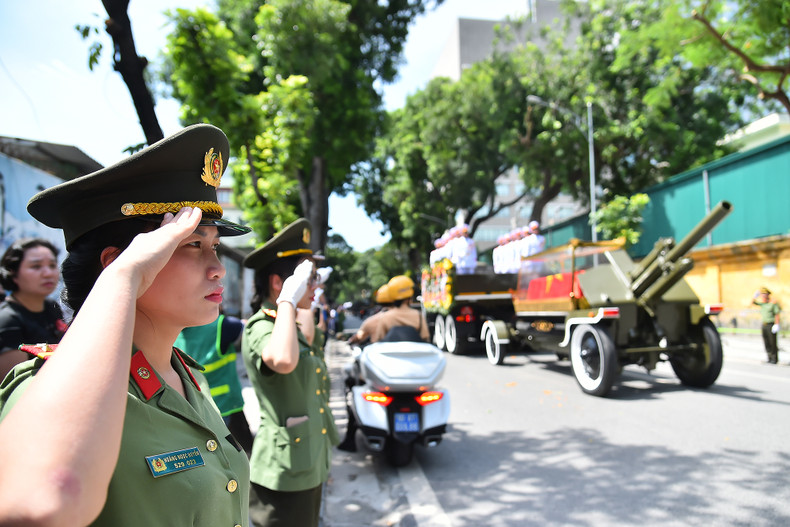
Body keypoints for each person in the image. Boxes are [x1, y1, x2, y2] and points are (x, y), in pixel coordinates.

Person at [0, 124, 252, 526]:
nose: (218, 268)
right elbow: (41, 505)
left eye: (215, 247)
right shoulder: (48, 388)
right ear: (120, 261)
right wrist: (124, 277)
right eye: (192, 244)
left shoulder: (184, 376)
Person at [241, 218, 339, 527]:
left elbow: (309, 337)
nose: (315, 286)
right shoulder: (261, 326)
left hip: (307, 461)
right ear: (277, 283)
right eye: (308, 279)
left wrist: (298, 301)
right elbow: (283, 360)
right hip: (284, 471)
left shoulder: (288, 325)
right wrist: (288, 299)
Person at [174, 310, 255, 453]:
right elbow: (248, 328)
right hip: (227, 407)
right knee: (244, 456)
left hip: (196, 411)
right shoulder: (222, 326)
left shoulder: (170, 334)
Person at [0, 238, 67, 379]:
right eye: (36, 266)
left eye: (52, 265)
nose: (48, 273)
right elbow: (15, 382)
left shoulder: (51, 307)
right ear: (13, 273)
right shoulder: (7, 320)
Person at [369, 275, 430, 343]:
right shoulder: (418, 315)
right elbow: (425, 338)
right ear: (410, 295)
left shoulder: (385, 317)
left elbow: (378, 340)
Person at [752, 287, 781, 364]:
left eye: (765, 294)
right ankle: (769, 358)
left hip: (771, 325)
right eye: (762, 294)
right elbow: (752, 303)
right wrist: (754, 296)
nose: (763, 296)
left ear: (768, 295)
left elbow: (777, 314)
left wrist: (777, 324)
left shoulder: (773, 303)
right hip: (764, 325)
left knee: (772, 342)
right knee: (766, 342)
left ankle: (774, 359)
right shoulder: (762, 304)